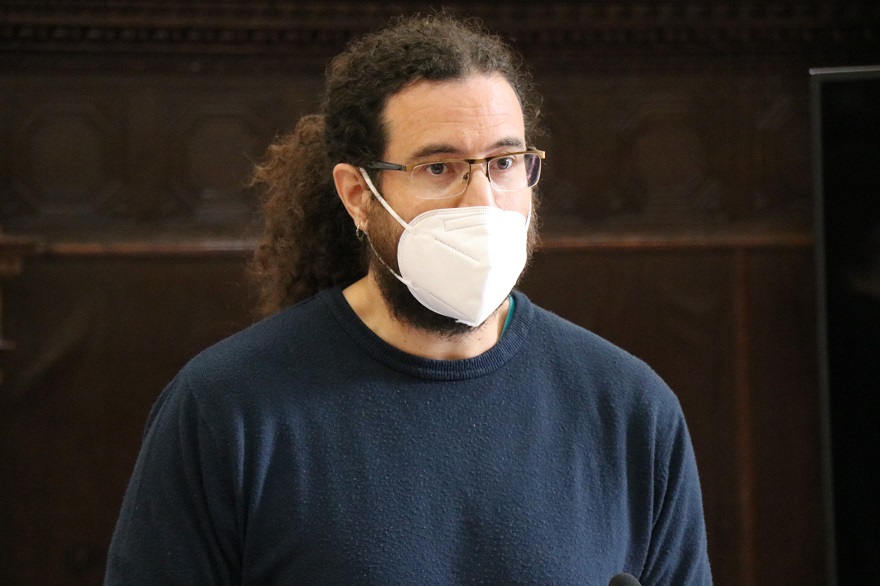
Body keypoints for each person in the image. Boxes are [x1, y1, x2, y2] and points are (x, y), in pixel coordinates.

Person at [105, 13, 712, 585]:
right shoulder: (226, 409)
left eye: (504, 162)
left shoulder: (631, 409)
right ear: (358, 195)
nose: (482, 202)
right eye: (439, 168)